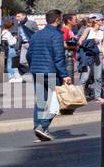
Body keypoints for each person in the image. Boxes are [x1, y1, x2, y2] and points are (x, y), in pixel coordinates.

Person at [30, 10, 72, 142]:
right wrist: (64, 75)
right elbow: (59, 57)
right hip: (51, 72)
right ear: (58, 20)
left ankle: (38, 127)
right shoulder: (57, 35)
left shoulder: (36, 35)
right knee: (57, 101)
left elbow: (29, 55)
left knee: (41, 101)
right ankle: (43, 126)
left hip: (37, 71)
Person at [0, 16, 22, 82]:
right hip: (10, 49)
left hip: (6, 49)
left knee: (10, 63)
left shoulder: (2, 32)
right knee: (12, 63)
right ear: (11, 26)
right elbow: (12, 42)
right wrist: (15, 38)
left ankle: (12, 77)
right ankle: (12, 77)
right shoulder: (8, 33)